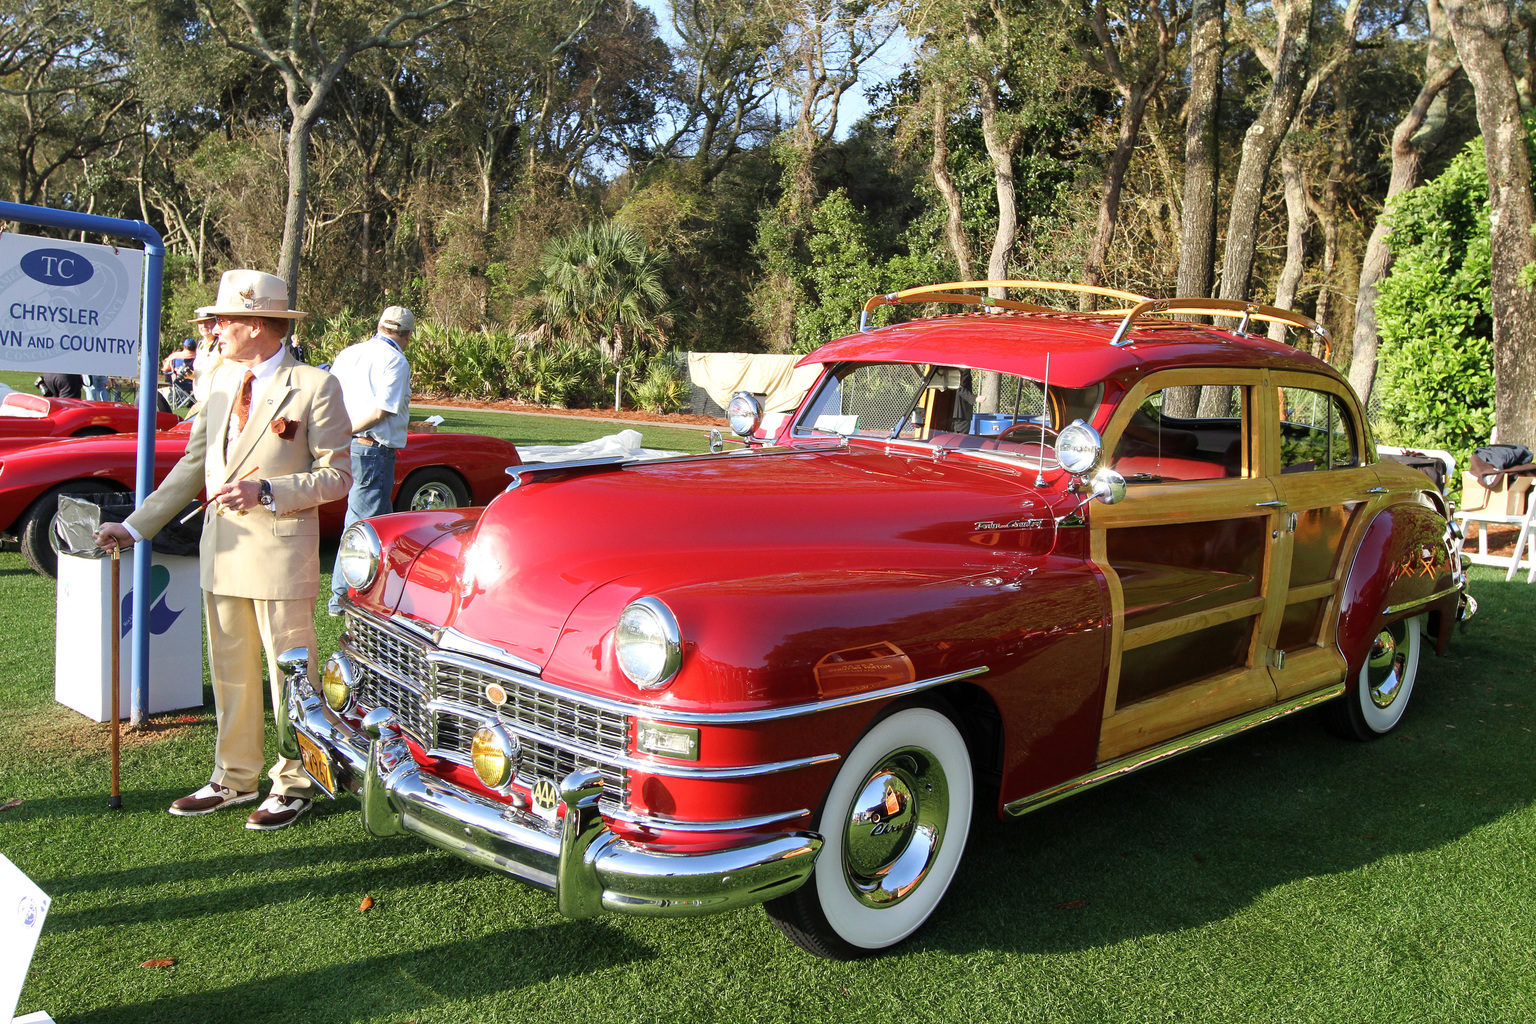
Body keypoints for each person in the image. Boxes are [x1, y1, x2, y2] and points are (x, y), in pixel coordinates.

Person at [94, 269, 352, 831]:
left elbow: (338, 478)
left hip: (281, 557)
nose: (213, 331)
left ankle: (296, 781)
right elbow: (191, 468)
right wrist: (134, 527)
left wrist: (269, 491)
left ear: (258, 323)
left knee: (292, 677)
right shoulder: (216, 383)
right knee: (231, 673)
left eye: (223, 321)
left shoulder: (315, 385)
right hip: (222, 551)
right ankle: (234, 778)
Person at [326, 304, 414, 616]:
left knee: (373, 520)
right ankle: (342, 597)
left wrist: (336, 433)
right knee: (365, 527)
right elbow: (380, 412)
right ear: (405, 335)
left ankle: (375, 590)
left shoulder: (350, 353)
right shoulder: (395, 360)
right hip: (371, 448)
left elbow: (331, 397)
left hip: (347, 444)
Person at [189, 306, 224, 406]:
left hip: (215, 403)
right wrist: (188, 375)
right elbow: (204, 374)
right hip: (200, 402)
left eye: (208, 322)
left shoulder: (222, 344)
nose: (203, 326)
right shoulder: (201, 345)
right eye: (200, 323)